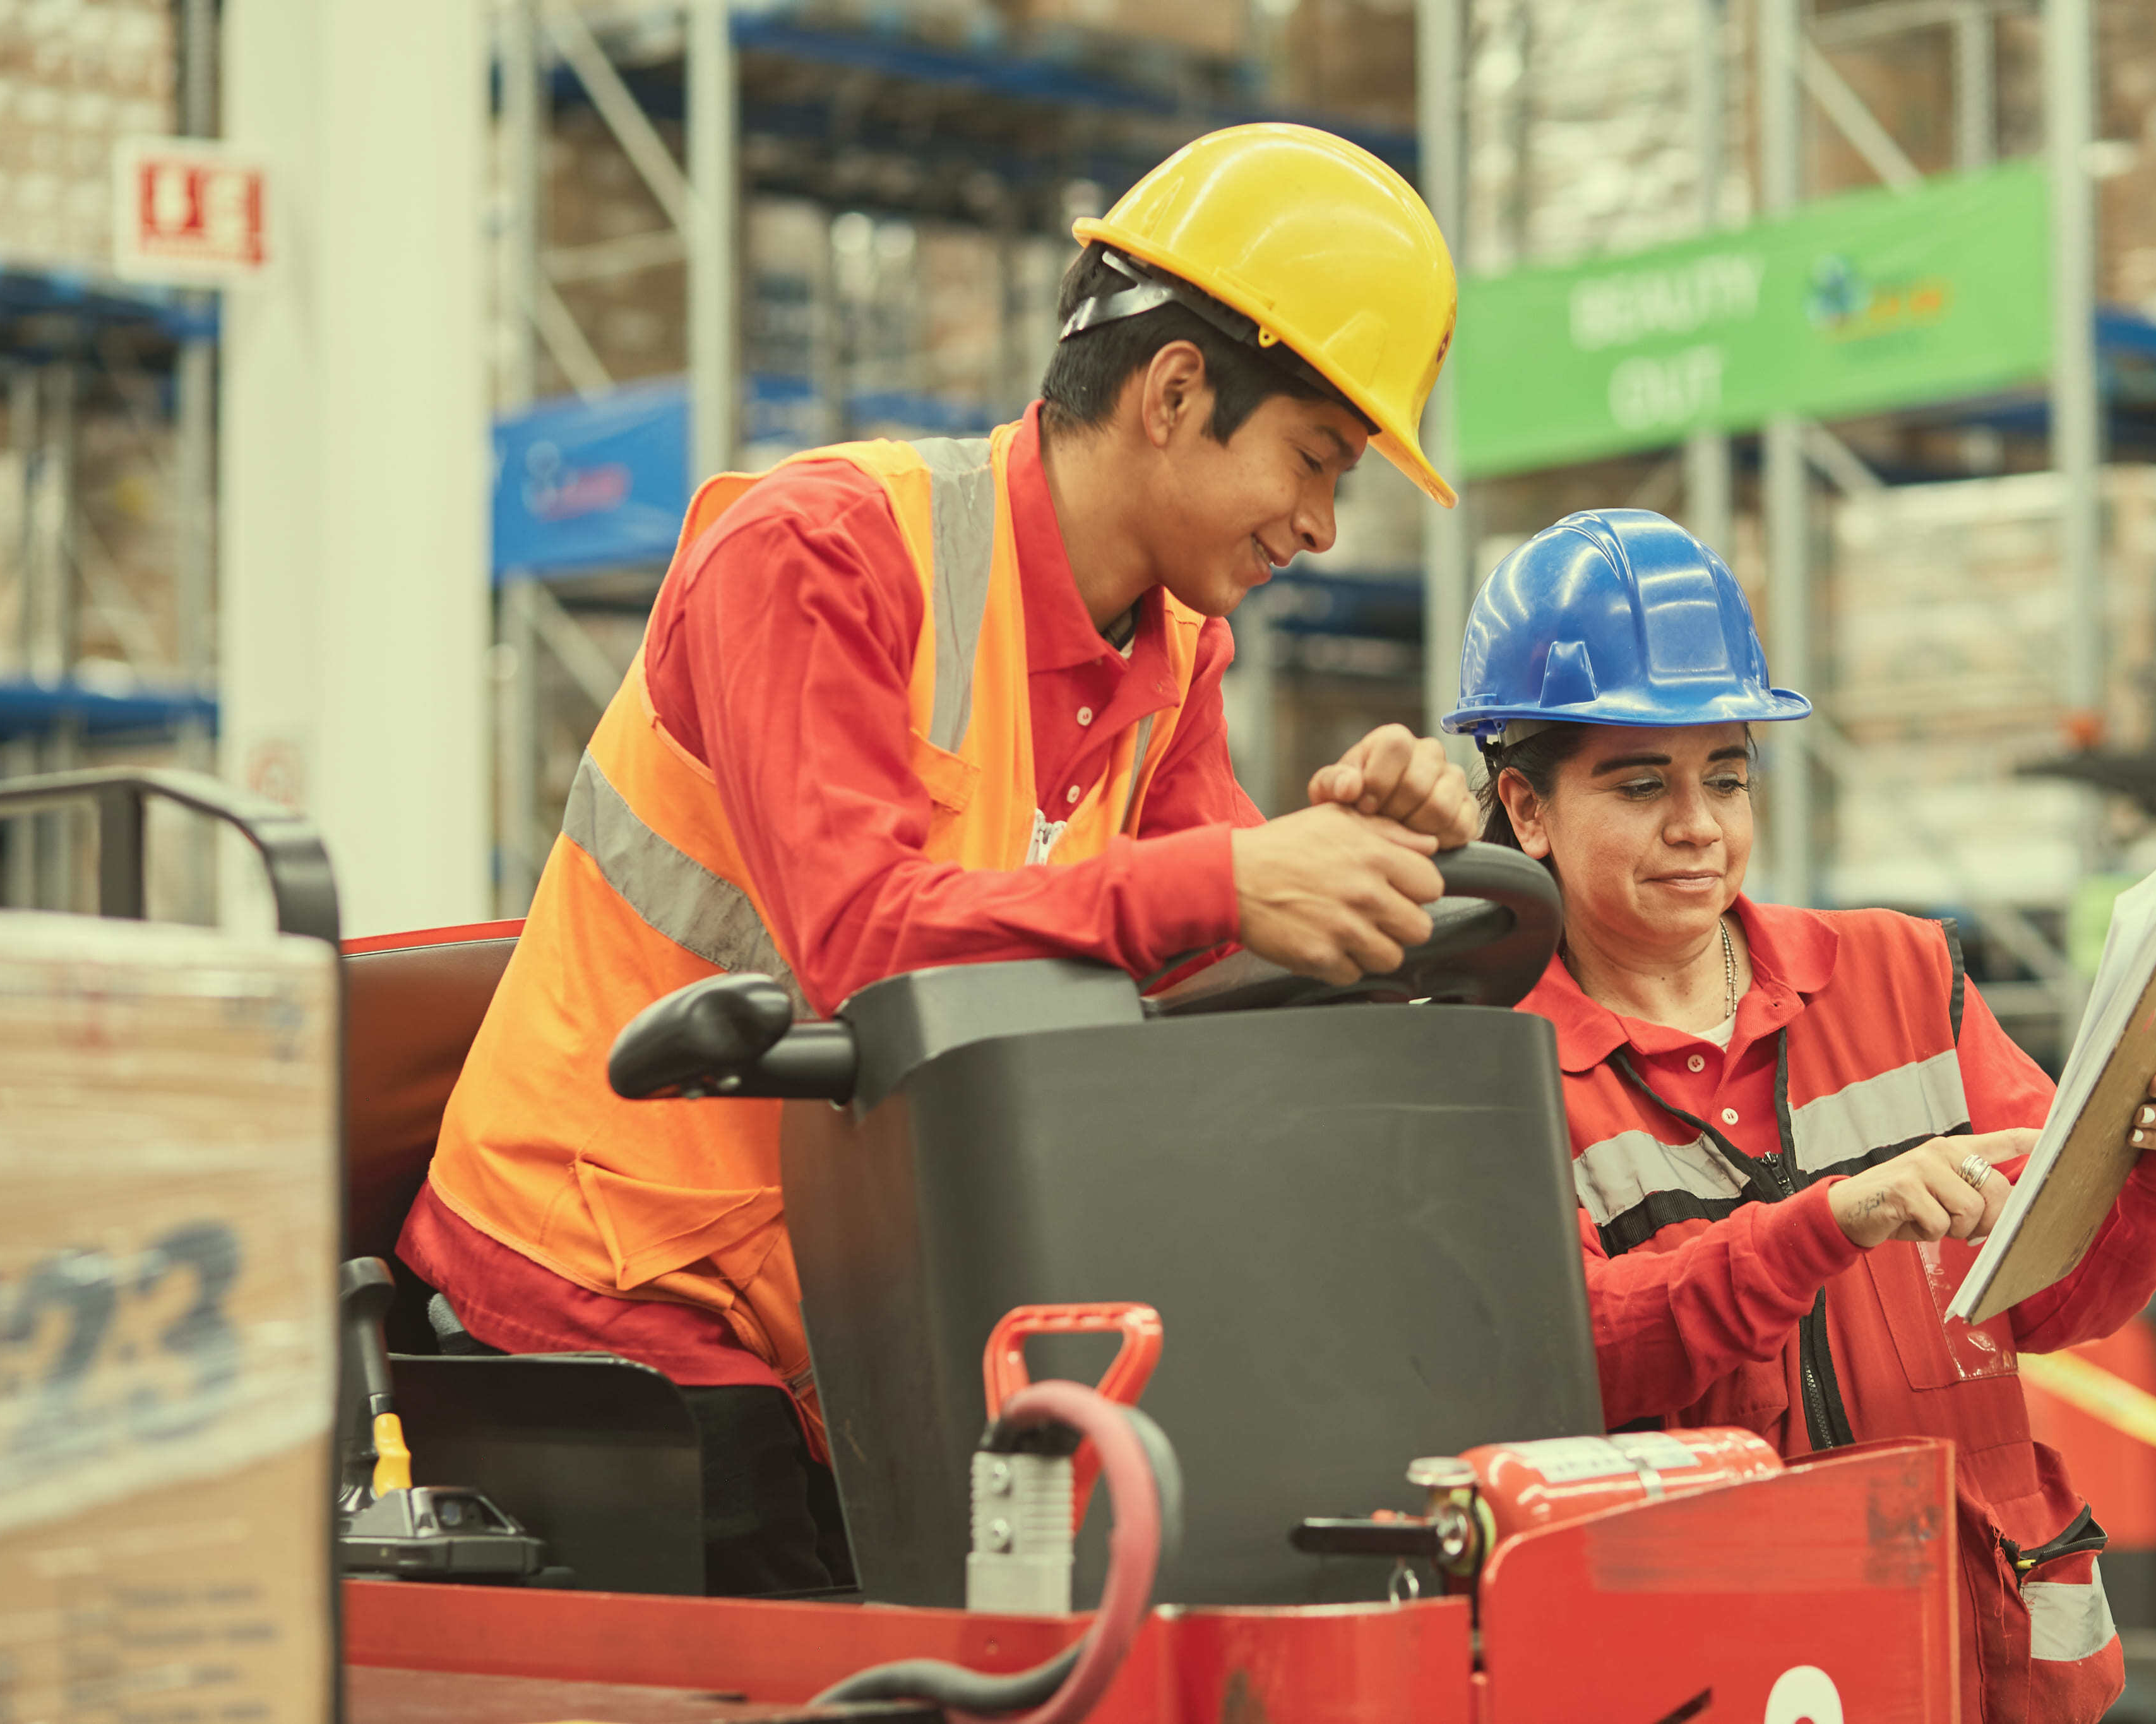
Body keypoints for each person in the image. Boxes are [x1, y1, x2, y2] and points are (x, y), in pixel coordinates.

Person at [404, 124, 1479, 1594]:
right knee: (843, 1611)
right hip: (603, 1271)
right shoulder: (817, 553)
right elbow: (863, 944)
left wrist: (1365, 845)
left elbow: (1204, 944)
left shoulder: (1172, 648)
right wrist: (1238, 882)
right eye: (1311, 459)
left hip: (847, 1287)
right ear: (1174, 393)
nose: (1318, 523)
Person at [1443, 509, 2156, 1724]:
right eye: (1641, 783)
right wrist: (1827, 1224)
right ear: (1528, 807)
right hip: (1714, 1670)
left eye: (1726, 775)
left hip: (1975, 1667)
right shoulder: (1489, 1063)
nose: (1699, 824)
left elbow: (2059, 1297)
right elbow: (1572, 1360)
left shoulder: (1903, 979)